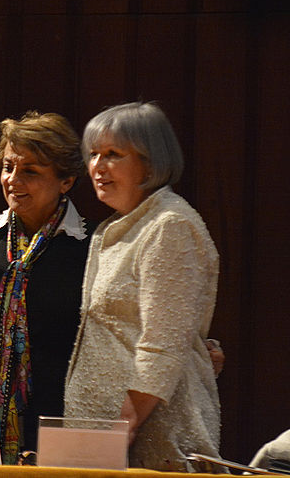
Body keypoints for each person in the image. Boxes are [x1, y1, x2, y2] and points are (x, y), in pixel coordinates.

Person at [63, 101, 221, 471]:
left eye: (114, 155)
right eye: (94, 154)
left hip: (153, 438)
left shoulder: (169, 225)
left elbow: (163, 344)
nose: (98, 167)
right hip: (105, 440)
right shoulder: (113, 229)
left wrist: (122, 427)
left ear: (150, 163)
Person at [0, 111, 90, 463]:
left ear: (66, 180)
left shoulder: (91, 249)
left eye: (30, 171)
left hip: (62, 432)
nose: (13, 180)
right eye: (8, 167)